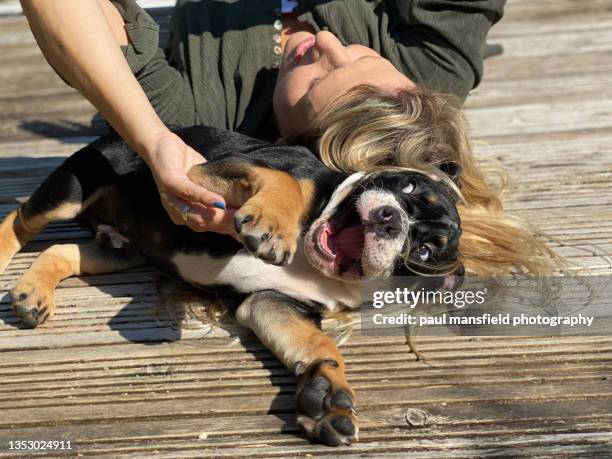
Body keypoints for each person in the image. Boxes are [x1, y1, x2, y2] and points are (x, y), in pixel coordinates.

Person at [20, 0, 555, 274]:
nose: (325, 41)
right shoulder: (432, 71)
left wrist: (150, 136)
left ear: (290, 143)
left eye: (314, 77)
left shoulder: (204, 119)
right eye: (364, 54)